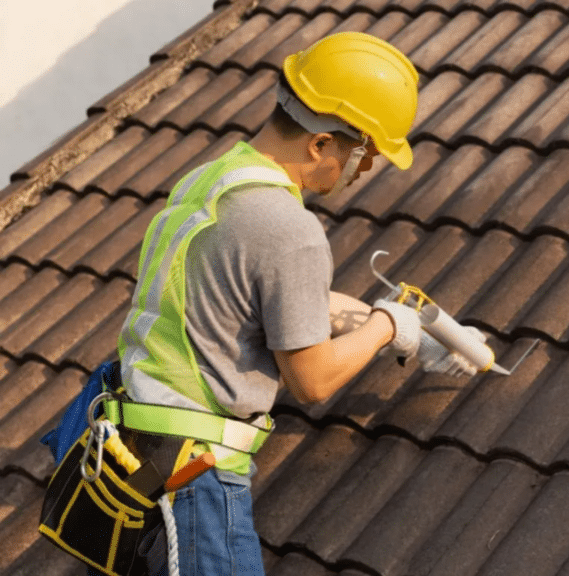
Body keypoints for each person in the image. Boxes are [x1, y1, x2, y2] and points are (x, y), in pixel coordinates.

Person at [106, 31, 479, 576]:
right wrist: (383, 325)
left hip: (133, 452)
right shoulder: (290, 229)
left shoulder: (215, 178)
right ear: (321, 144)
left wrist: (410, 335)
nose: (366, 169)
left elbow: (263, 293)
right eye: (365, 152)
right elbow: (313, 381)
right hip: (192, 480)